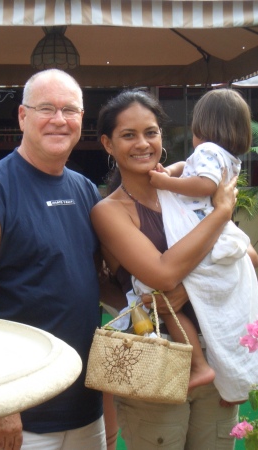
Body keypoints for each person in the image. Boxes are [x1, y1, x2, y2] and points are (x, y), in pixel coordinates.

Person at [0, 68, 124, 450]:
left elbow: (102, 280)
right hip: (18, 414)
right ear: (23, 116)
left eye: (70, 110)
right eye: (47, 108)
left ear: (82, 120)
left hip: (83, 408)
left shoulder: (84, 190)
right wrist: (0, 403)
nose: (59, 119)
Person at [90, 88, 256, 450]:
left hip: (217, 362)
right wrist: (224, 213)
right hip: (158, 362)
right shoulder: (110, 211)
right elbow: (162, 276)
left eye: (151, 132)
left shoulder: (186, 192)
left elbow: (248, 258)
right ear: (108, 144)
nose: (143, 144)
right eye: (128, 135)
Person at [132, 88, 258, 392]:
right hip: (218, 234)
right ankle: (233, 377)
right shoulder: (228, 157)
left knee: (156, 295)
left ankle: (199, 365)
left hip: (201, 231)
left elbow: (203, 184)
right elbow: (187, 167)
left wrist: (165, 181)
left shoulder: (208, 152)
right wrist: (171, 170)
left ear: (202, 126)